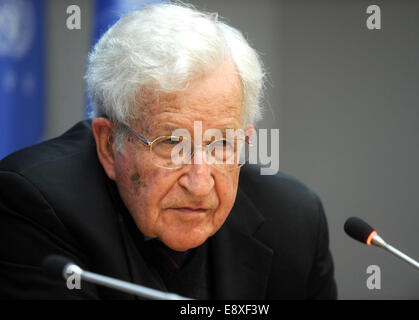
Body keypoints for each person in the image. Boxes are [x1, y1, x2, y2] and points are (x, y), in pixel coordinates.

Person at [0, 3, 337, 299]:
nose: (200, 183)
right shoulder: (33, 204)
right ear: (108, 144)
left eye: (222, 144)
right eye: (171, 143)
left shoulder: (294, 223)